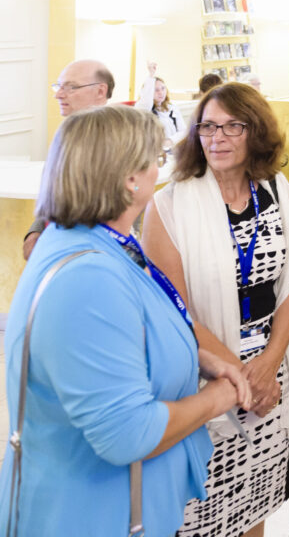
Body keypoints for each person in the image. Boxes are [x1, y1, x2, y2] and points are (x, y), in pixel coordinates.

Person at [0, 105, 251, 535]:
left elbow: (137, 326)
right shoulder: (88, 277)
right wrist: (220, 397)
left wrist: (202, 360)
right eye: (155, 160)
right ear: (129, 179)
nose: (161, 170)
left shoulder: (101, 240)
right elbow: (128, 435)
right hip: (91, 516)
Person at [142, 82, 289, 537]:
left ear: (255, 131)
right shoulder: (169, 204)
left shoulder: (276, 190)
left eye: (232, 126)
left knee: (253, 503)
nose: (217, 138)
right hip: (204, 375)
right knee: (200, 514)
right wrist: (241, 377)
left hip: (270, 367)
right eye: (207, 126)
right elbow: (175, 310)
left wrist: (269, 364)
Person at [22, 59, 115, 260]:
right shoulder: (64, 135)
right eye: (59, 86)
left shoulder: (119, 142)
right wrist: (36, 231)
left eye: (71, 87)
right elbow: (53, 195)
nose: (58, 95)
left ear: (100, 91)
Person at [136, 61, 186, 141]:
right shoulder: (145, 110)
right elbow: (146, 100)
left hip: (173, 148)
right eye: (156, 90)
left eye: (163, 88)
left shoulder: (172, 108)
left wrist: (170, 141)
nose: (161, 92)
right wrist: (151, 75)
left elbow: (183, 132)